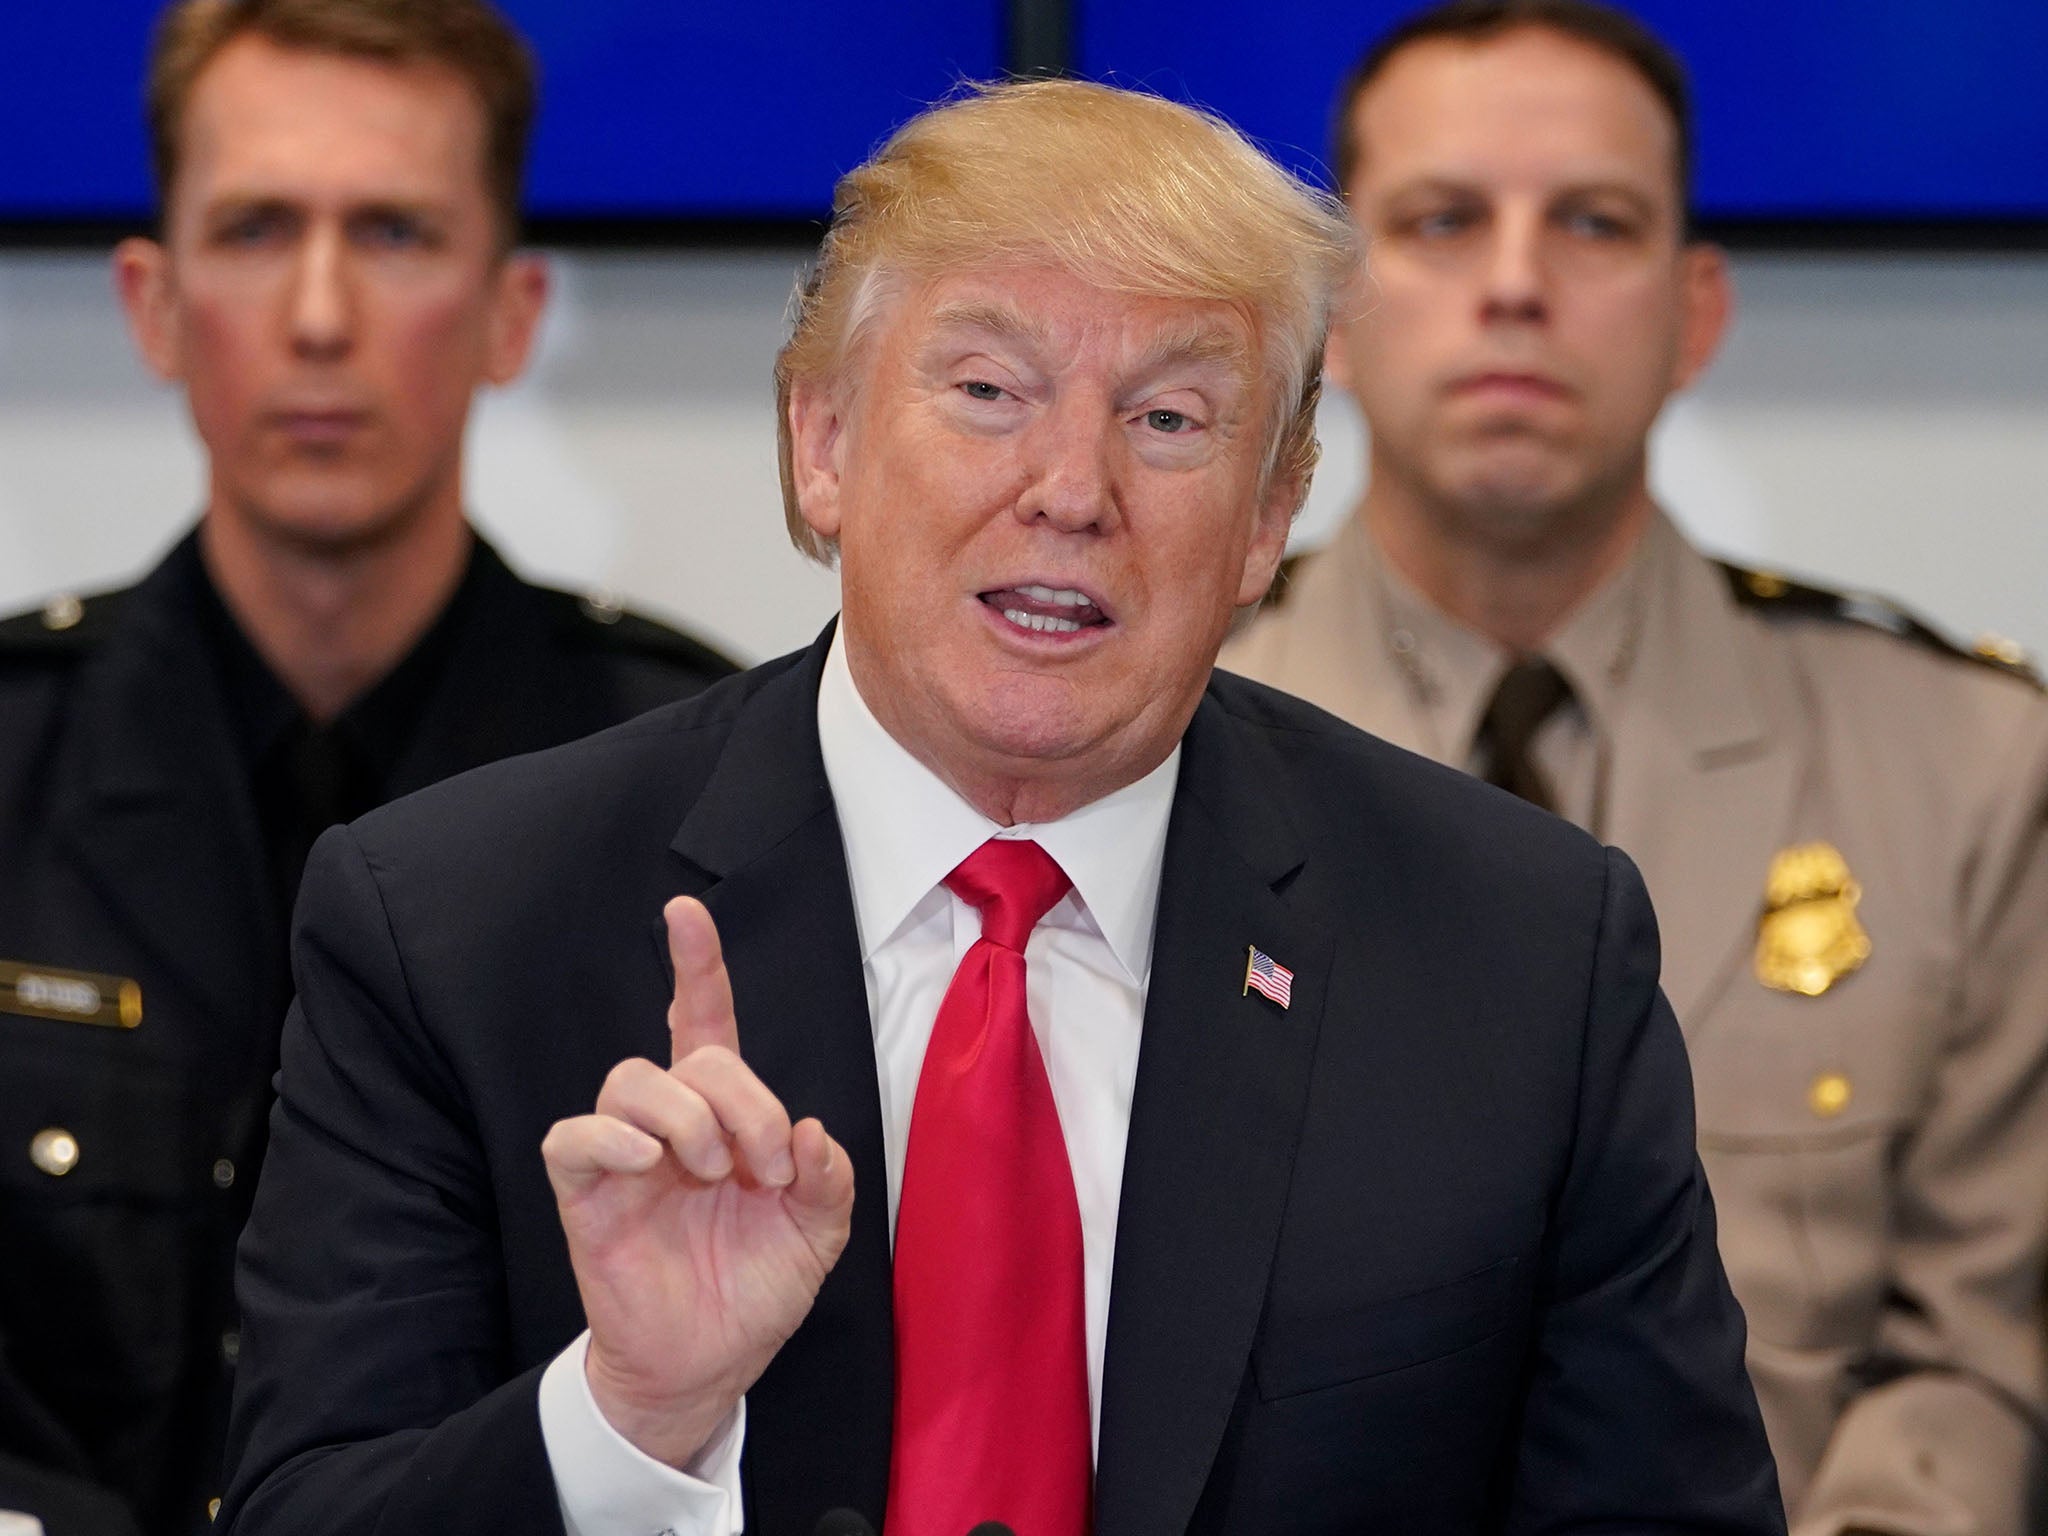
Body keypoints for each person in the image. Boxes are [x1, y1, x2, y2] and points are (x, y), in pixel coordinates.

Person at [216, 77, 1782, 1536]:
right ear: (820, 443)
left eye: (1171, 419)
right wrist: (634, 1414)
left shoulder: (1523, 958)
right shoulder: (454, 925)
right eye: (986, 389)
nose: (1072, 489)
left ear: (1271, 516)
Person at [1219, 3, 2048, 1531]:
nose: (1517, 286)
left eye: (1594, 224)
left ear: (1695, 313)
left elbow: (1974, 1361)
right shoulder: (1153, 739)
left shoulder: (1969, 772)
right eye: (1444, 220)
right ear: (1330, 317)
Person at [0, 3, 735, 1532]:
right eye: (258, 229)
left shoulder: (688, 788)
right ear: (152, 302)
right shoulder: (11, 754)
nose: (320, 315)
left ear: (508, 312)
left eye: (396, 232)